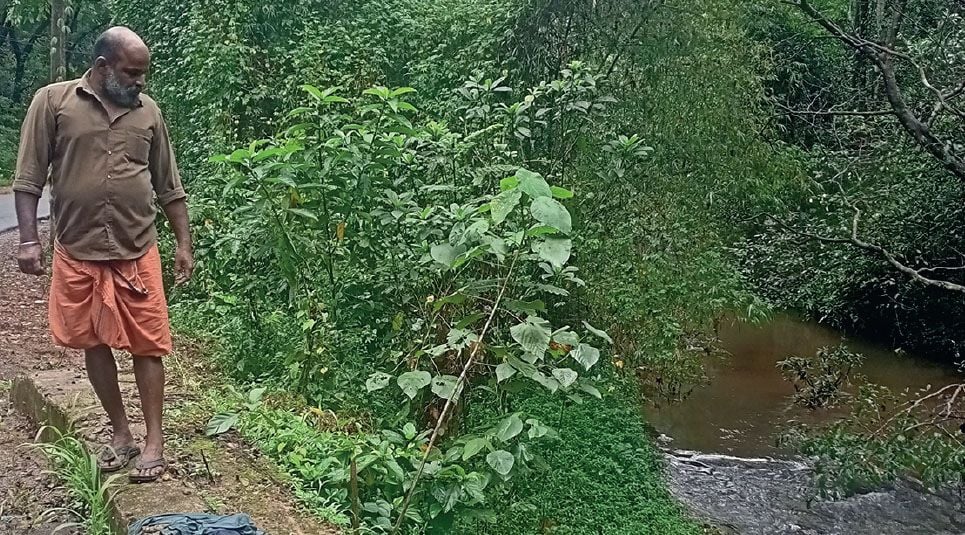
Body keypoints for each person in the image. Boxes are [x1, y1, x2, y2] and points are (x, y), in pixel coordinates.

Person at [12, 26, 192, 483]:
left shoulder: (148, 113)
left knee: (148, 344)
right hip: (77, 248)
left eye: (143, 74)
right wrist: (29, 239)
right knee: (92, 340)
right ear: (102, 67)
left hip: (137, 248)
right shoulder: (53, 102)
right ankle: (120, 434)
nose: (141, 82)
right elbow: (29, 177)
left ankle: (155, 442)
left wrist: (183, 245)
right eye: (133, 73)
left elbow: (169, 185)